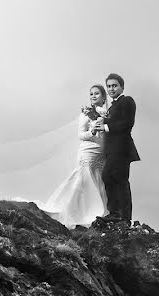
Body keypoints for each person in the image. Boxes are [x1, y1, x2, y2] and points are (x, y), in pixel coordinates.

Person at [40, 85, 109, 228]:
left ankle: (98, 212)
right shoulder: (85, 114)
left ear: (103, 97)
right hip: (88, 150)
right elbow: (80, 135)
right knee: (83, 179)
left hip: (101, 151)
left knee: (98, 180)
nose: (94, 96)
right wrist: (92, 131)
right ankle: (71, 212)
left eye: (97, 93)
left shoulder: (108, 113)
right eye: (91, 94)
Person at [95, 73, 140, 222]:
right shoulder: (113, 105)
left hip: (122, 148)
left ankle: (124, 217)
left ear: (122, 87)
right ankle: (115, 213)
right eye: (108, 86)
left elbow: (127, 124)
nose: (111, 89)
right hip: (112, 149)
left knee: (119, 180)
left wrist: (106, 126)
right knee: (109, 177)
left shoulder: (127, 101)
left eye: (114, 85)